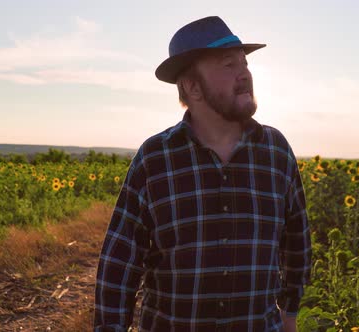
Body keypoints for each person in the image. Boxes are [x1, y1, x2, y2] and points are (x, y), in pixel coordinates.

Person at [94, 16, 311, 332]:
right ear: (192, 87)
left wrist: (289, 316)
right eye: (228, 65)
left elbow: (296, 242)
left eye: (244, 63)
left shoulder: (275, 152)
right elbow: (119, 264)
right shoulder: (155, 158)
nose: (244, 74)